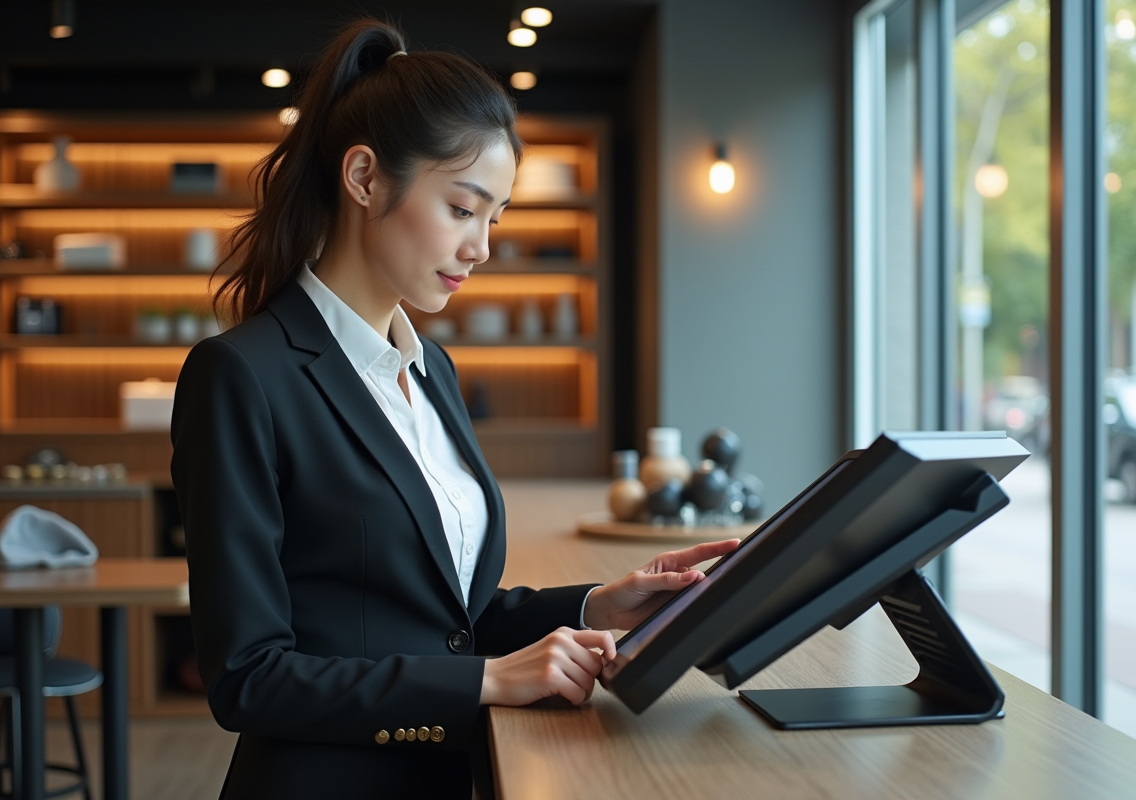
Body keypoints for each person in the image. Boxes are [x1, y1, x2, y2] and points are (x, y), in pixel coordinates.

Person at [170, 19, 738, 800]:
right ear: (365, 177)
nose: (482, 247)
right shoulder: (240, 376)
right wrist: (482, 685)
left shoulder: (429, 367)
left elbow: (448, 614)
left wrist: (600, 603)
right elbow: (249, 678)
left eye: (495, 218)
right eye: (464, 209)